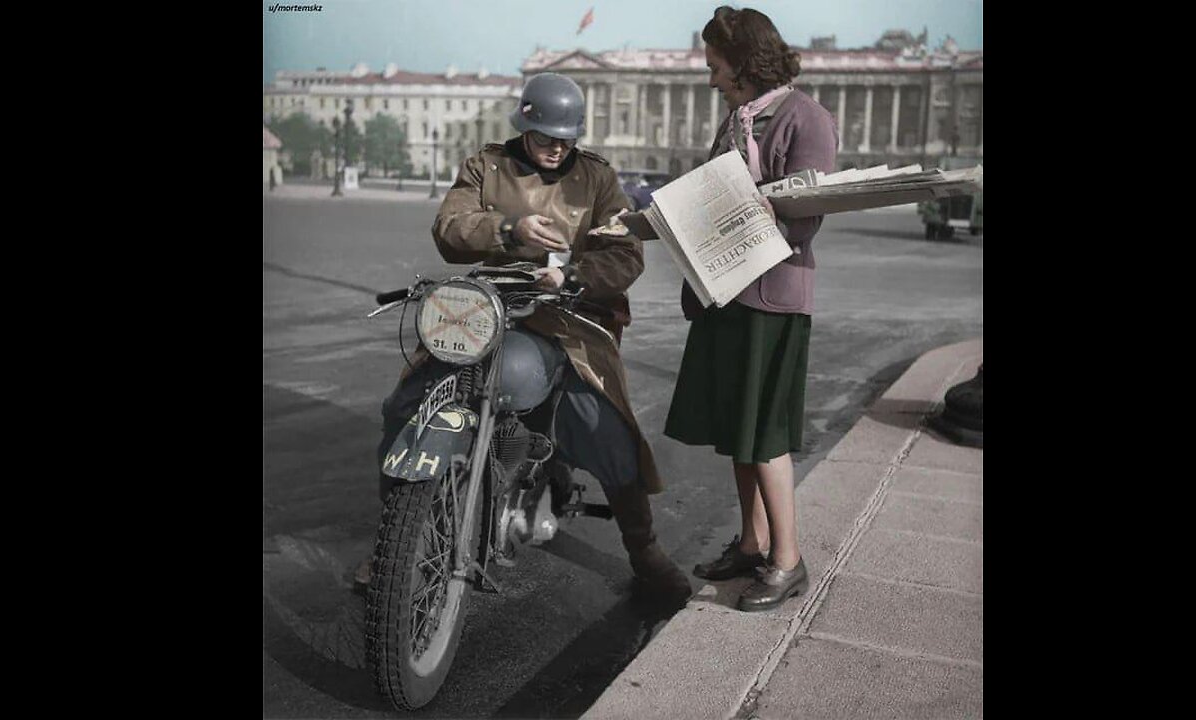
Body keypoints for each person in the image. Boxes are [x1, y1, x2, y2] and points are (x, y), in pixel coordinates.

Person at [358, 72, 692, 606]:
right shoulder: (485, 165)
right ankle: (393, 544)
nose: (556, 149)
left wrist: (574, 272)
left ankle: (644, 549)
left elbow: (626, 253)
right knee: (407, 403)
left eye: (566, 140)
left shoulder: (599, 179)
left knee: (608, 429)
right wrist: (507, 231)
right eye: (545, 139)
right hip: (486, 311)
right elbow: (449, 228)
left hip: (568, 317)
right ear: (525, 126)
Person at [664, 6, 838, 612]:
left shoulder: (805, 117)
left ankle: (788, 560)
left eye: (715, 66)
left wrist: (744, 211)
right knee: (739, 431)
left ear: (742, 62)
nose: (710, 79)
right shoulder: (737, 119)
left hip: (771, 296)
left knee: (764, 433)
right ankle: (751, 541)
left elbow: (806, 218)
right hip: (724, 293)